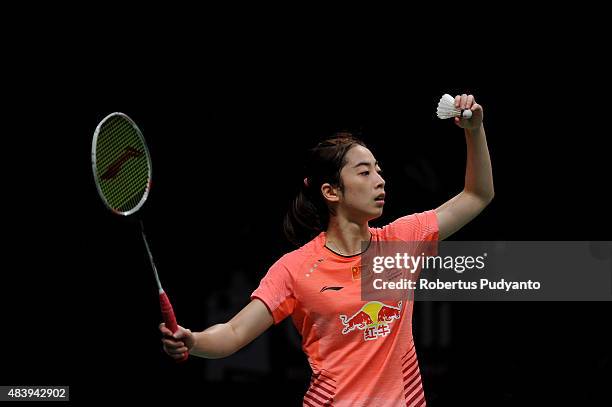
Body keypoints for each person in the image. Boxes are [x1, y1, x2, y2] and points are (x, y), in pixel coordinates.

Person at [160, 94, 494, 406]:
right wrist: (194, 341)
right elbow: (234, 332)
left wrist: (474, 130)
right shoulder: (296, 269)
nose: (380, 180)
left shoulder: (402, 239)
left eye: (378, 170)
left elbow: (477, 195)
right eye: (364, 172)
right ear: (331, 191)